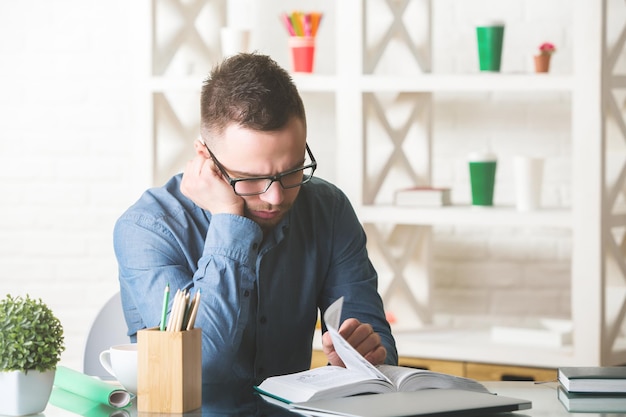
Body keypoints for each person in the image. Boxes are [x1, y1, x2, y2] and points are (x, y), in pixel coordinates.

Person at [113, 52, 397, 386]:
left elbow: (379, 347)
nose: (275, 197)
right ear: (205, 157)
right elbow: (201, 367)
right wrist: (228, 219)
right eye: (250, 178)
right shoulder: (147, 229)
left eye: (292, 171)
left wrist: (366, 357)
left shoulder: (328, 209)